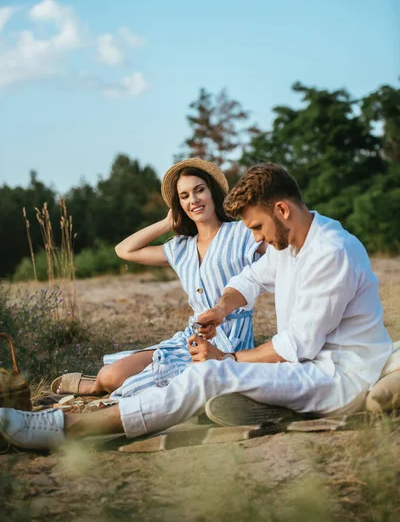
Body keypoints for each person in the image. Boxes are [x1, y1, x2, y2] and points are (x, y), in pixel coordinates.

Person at [0, 163, 393, 450]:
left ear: (282, 210)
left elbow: (298, 346)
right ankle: (267, 405)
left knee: (209, 376)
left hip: (337, 377)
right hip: (308, 365)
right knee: (213, 374)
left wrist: (227, 357)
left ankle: (69, 429)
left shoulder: (330, 252)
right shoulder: (288, 242)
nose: (255, 237)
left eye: (256, 227)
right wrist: (221, 308)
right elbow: (249, 279)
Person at [50, 158, 264, 399]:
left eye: (199, 190)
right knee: (110, 376)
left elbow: (282, 252)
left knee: (178, 390)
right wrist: (166, 223)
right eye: (184, 196)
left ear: (212, 192)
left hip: (231, 341)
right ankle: (99, 385)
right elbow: (124, 250)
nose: (193, 200)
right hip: (191, 339)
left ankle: (100, 388)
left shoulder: (243, 233)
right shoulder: (181, 247)